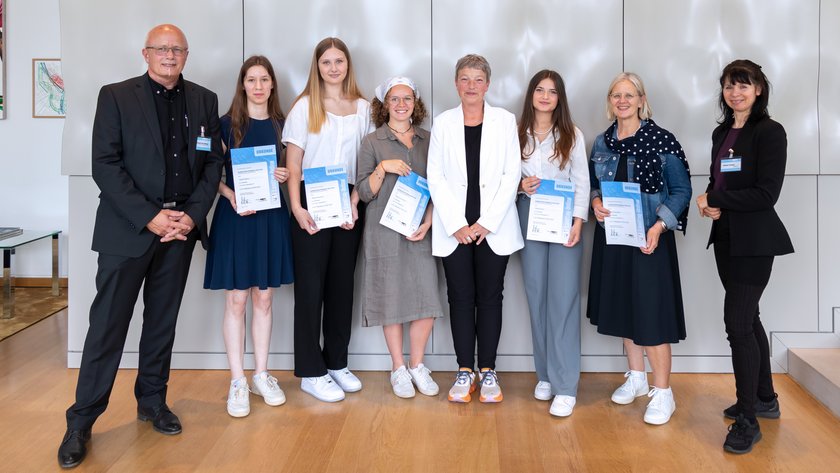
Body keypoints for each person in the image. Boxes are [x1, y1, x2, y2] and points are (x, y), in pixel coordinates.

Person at [58, 24, 223, 468]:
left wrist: (190, 214)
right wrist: (149, 215)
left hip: (179, 233)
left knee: (161, 323)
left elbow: (212, 164)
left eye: (177, 49)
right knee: (108, 326)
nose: (169, 56)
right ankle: (81, 421)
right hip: (128, 230)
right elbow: (105, 164)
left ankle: (152, 401)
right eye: (161, 49)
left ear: (186, 55)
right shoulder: (115, 96)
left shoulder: (204, 100)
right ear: (145, 54)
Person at [696, 59, 793, 454]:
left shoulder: (770, 132)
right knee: (748, 317)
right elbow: (719, 180)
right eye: (729, 86)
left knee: (736, 322)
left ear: (759, 90)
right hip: (727, 238)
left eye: (744, 85)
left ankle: (748, 420)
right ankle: (765, 399)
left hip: (756, 241)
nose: (736, 92)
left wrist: (715, 198)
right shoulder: (722, 132)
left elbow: (767, 194)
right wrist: (708, 202)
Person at [587, 72, 691, 425]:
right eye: (616, 94)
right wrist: (596, 202)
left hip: (650, 239)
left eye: (629, 94)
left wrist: (660, 226)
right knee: (624, 309)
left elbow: (681, 192)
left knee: (653, 314)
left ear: (642, 100)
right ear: (610, 101)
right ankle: (636, 377)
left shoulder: (663, 140)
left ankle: (663, 393)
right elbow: (593, 187)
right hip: (614, 238)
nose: (622, 100)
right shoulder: (602, 142)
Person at [427, 54, 523, 403]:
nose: (471, 86)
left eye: (478, 79)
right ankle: (464, 370)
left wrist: (485, 223)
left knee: (491, 297)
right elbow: (434, 177)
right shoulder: (443, 123)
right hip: (455, 229)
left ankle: (489, 371)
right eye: (465, 79)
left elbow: (511, 175)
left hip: (492, 228)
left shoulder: (505, 121)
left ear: (488, 84)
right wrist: (457, 225)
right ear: (456, 84)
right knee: (460, 297)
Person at [282, 37, 372, 402]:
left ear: (348, 64)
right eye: (326, 62)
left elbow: (366, 162)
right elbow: (293, 162)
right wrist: (296, 208)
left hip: (348, 199)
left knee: (341, 285)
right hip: (310, 198)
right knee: (310, 287)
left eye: (339, 61)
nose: (333, 68)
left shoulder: (365, 108)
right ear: (316, 67)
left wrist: (354, 202)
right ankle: (310, 370)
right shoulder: (305, 107)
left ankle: (336, 362)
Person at [203, 56, 294, 417]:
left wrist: (286, 175)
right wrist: (230, 196)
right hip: (237, 218)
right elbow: (209, 176)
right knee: (237, 300)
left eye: (264, 79)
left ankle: (261, 373)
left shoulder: (283, 126)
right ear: (243, 85)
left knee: (265, 298)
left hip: (271, 219)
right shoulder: (225, 126)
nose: (258, 86)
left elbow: (295, 171)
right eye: (251, 79)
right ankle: (238, 380)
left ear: (272, 85)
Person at [356, 76, 443, 399]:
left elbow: (441, 186)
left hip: (420, 229)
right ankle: (398, 368)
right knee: (389, 296)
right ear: (385, 105)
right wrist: (384, 167)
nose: (402, 104)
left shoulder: (429, 140)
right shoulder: (372, 142)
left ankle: (417, 365)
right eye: (395, 99)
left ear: (415, 103)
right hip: (384, 231)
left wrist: (431, 221)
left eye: (407, 98)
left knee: (426, 299)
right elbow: (364, 192)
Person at [516, 70, 589, 417]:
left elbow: (582, 182)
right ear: (531, 94)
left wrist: (578, 222)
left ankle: (566, 385)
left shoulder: (572, 135)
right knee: (536, 295)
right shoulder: (515, 134)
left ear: (560, 98)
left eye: (553, 91)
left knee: (563, 299)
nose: (545, 96)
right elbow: (502, 175)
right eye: (540, 90)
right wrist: (520, 186)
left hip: (563, 218)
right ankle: (544, 374)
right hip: (529, 215)